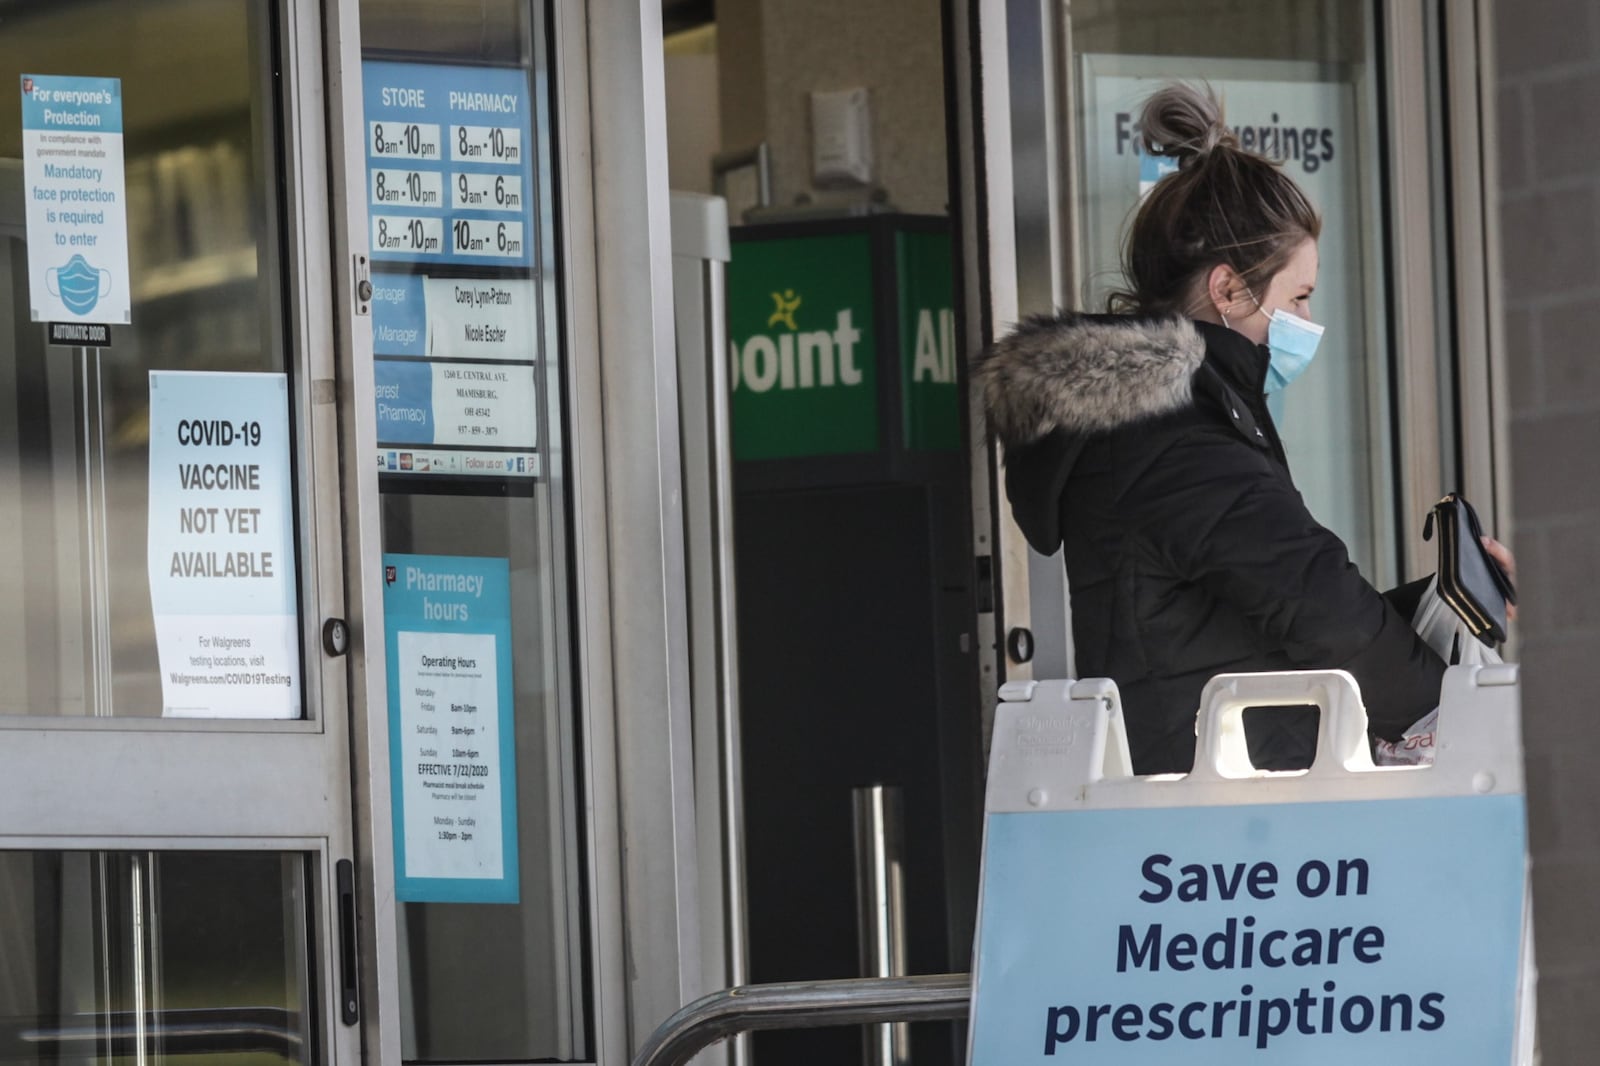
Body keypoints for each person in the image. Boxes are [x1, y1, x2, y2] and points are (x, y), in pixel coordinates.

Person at [977, 82, 1453, 774]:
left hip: (1224, 802)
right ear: (1230, 291)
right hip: (1229, 829)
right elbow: (1317, 607)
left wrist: (1439, 603)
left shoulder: (1172, 416)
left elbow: (1259, 610)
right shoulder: (1169, 435)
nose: (1309, 325)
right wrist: (1450, 710)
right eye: (1298, 297)